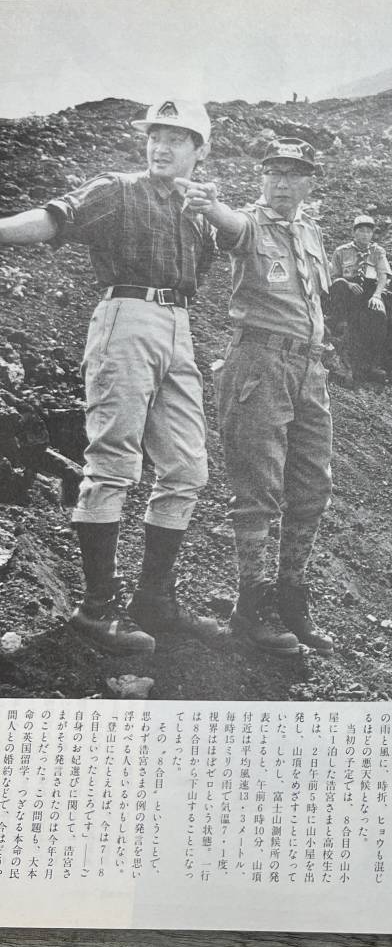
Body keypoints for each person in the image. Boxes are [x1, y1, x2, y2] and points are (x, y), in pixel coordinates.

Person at [0, 98, 221, 654]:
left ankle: (155, 600)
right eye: (155, 135)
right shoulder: (117, 189)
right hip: (125, 315)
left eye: (177, 137)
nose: (161, 146)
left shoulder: (199, 211)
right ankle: (96, 607)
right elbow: (55, 218)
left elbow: (216, 261)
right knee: (114, 460)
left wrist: (213, 212)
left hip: (180, 326)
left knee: (188, 467)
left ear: (200, 149)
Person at [183, 137, 334, 656]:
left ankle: (292, 595)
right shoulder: (247, 223)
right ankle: (253, 604)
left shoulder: (311, 232)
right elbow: (229, 224)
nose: (285, 182)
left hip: (309, 368)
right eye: (275, 172)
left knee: (313, 486)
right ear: (262, 178)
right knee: (259, 489)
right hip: (259, 364)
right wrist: (209, 204)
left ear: (309, 182)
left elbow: (313, 299)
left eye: (296, 173)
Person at [328, 213, 392, 382]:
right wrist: (348, 284)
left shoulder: (378, 252)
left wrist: (377, 295)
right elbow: (333, 277)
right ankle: (339, 324)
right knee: (340, 284)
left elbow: (383, 276)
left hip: (370, 291)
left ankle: (373, 365)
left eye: (368, 232)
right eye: (361, 231)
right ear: (354, 233)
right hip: (348, 291)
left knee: (380, 316)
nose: (365, 234)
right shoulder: (341, 251)